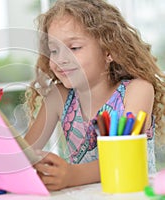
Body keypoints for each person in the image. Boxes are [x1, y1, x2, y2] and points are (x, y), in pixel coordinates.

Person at [24, 0, 165, 191]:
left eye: (74, 48)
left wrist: (72, 175)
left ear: (109, 51)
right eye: (54, 50)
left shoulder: (137, 91)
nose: (60, 59)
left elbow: (124, 158)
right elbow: (23, 155)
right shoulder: (59, 97)